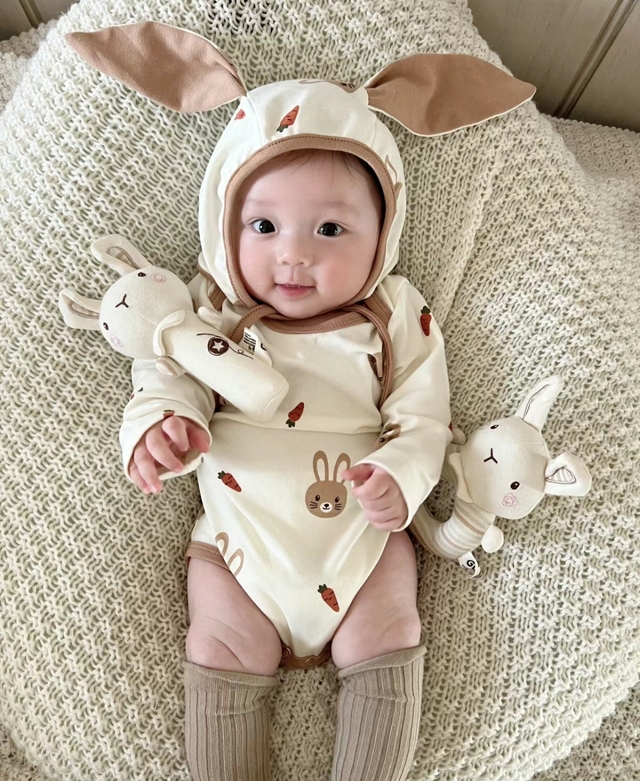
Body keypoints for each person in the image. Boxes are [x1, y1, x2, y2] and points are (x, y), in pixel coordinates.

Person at [61, 25, 532, 780]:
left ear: (383, 235)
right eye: (264, 226)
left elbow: (424, 416)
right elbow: (166, 372)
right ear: (225, 225)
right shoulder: (215, 311)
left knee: (389, 625)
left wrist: (402, 476)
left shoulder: (394, 313)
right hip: (240, 541)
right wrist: (162, 427)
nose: (294, 253)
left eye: (331, 228)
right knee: (218, 639)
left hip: (361, 537)